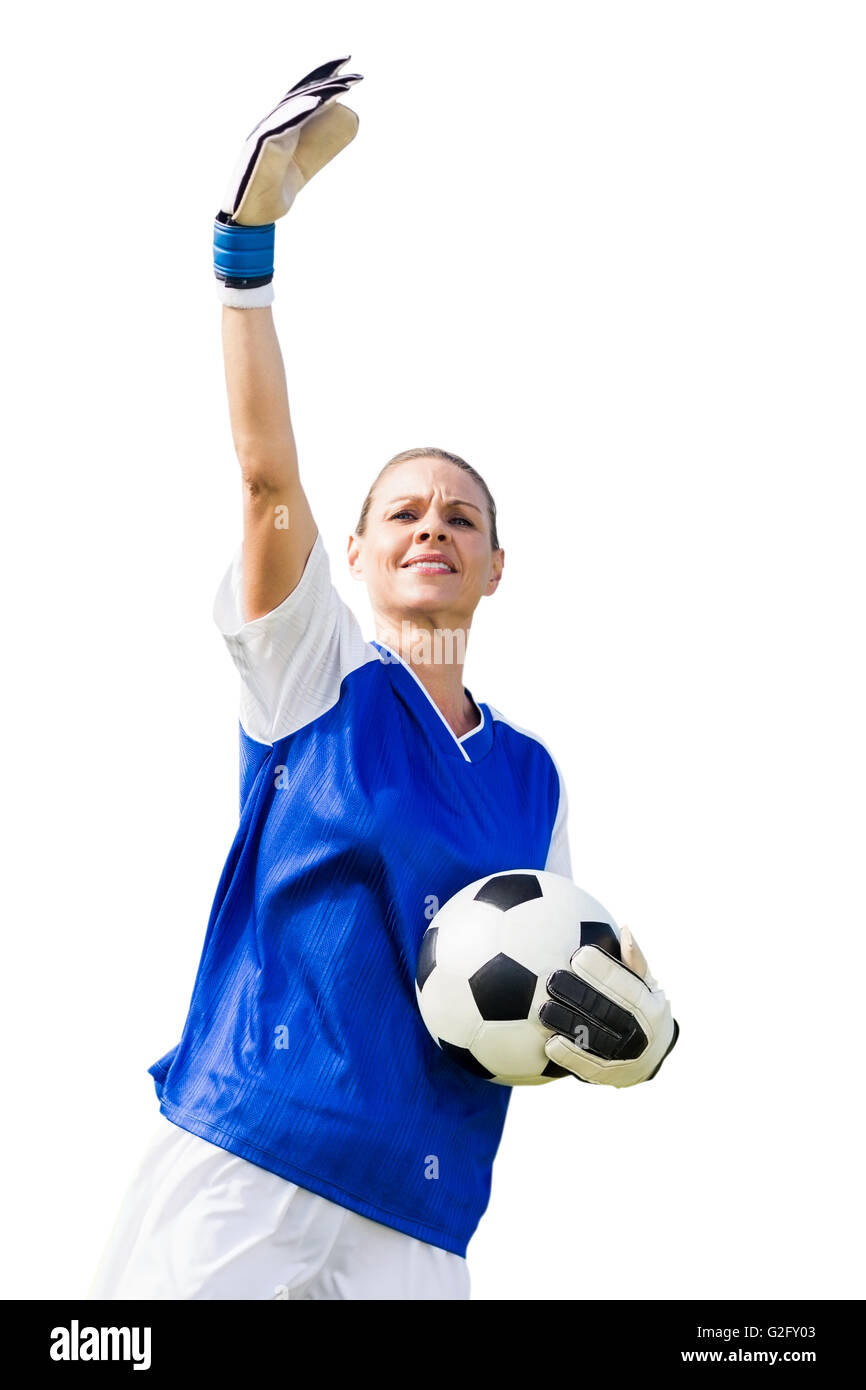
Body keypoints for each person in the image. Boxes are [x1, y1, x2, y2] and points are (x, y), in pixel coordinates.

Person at [87, 57, 678, 1303]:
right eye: (401, 510)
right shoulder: (315, 678)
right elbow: (262, 479)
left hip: (420, 1209)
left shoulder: (532, 777)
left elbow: (556, 978)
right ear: (348, 554)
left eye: (461, 516)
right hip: (246, 1156)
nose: (431, 527)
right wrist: (245, 245)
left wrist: (630, 1026)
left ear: (497, 566)